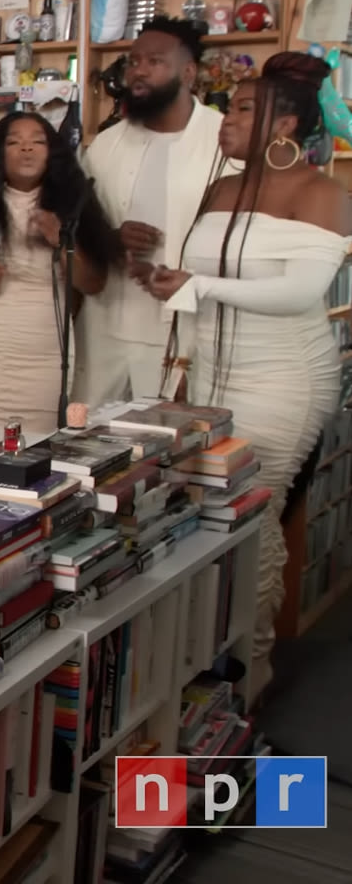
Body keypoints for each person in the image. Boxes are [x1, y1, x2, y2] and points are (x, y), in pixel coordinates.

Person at [144, 52, 352, 690]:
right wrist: (169, 285)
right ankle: (205, 664)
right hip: (209, 376)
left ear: (285, 125)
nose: (224, 121)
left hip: (284, 378)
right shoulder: (222, 188)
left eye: (239, 110)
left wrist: (199, 285)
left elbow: (298, 292)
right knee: (207, 521)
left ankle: (250, 676)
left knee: (254, 519)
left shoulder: (324, 194)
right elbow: (203, 283)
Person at [0, 112, 122, 433]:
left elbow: (94, 283)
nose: (26, 149)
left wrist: (62, 242)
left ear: (54, 153)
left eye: (38, 142)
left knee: (32, 455)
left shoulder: (74, 205)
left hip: (41, 358)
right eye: (14, 142)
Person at [77, 17, 224, 406]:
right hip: (104, 324)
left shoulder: (223, 141)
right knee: (85, 442)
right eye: (133, 61)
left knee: (169, 447)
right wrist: (111, 238)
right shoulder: (106, 145)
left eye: (154, 61)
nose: (138, 70)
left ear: (188, 73)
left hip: (186, 328)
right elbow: (79, 227)